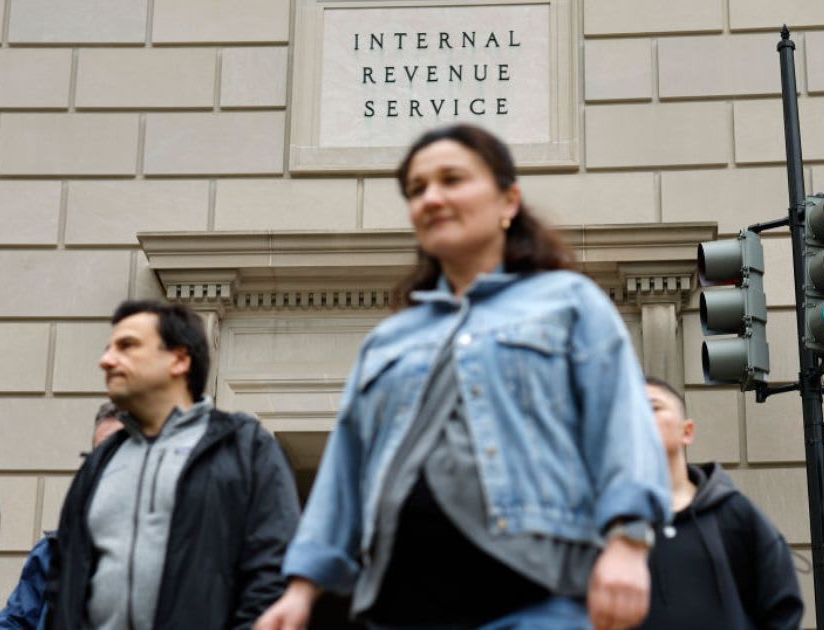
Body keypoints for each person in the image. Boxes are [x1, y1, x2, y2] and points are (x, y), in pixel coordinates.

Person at [257, 124, 671, 630]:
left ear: (508, 200)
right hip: (399, 607)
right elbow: (344, 470)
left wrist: (628, 541)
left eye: (452, 179)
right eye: (416, 189)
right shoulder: (389, 339)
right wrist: (301, 590)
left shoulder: (569, 302)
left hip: (539, 600)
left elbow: (621, 426)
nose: (431, 198)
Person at [46, 300, 301, 630]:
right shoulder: (98, 464)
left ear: (179, 360)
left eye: (127, 346)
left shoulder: (245, 447)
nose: (106, 361)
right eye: (108, 349)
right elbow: (62, 580)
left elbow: (274, 566)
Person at [639, 377, 803, 629]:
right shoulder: (610, 521)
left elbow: (782, 605)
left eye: (652, 407)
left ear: (687, 431)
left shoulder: (734, 513)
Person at [0, 402, 125, 630]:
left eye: (116, 454)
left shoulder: (168, 550)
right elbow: (16, 620)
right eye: (97, 455)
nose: (102, 466)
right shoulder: (53, 550)